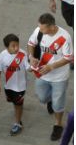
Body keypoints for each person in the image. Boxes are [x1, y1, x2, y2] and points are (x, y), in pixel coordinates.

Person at [27, 13, 72, 141]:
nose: (39, 30)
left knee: (58, 104)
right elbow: (31, 43)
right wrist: (31, 57)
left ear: (51, 27)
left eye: (42, 28)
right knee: (42, 98)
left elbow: (68, 58)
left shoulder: (65, 37)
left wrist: (51, 67)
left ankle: (58, 124)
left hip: (59, 77)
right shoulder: (39, 31)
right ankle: (51, 101)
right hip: (42, 74)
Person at [0, 34, 28, 136]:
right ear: (6, 47)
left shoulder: (23, 54)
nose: (16, 48)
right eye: (13, 46)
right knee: (14, 103)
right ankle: (18, 111)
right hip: (8, 87)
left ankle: (18, 123)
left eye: (17, 45)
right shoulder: (2, 55)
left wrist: (33, 66)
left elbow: (28, 67)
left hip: (20, 87)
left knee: (18, 105)